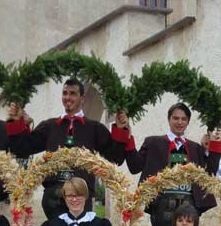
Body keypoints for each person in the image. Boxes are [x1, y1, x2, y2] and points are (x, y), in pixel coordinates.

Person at [9, 78, 130, 218]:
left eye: (72, 93)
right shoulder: (49, 126)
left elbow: (116, 157)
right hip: (53, 198)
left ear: (82, 98)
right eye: (65, 93)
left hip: (82, 197)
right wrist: (17, 122)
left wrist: (121, 130)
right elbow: (21, 149)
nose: (68, 97)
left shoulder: (94, 128)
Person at [123, 102, 221, 226]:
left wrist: (213, 147)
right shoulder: (153, 142)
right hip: (161, 205)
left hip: (190, 205)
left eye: (184, 119)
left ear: (188, 122)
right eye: (176, 118)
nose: (179, 122)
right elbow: (135, 166)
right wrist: (127, 137)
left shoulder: (195, 148)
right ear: (169, 119)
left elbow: (210, 173)